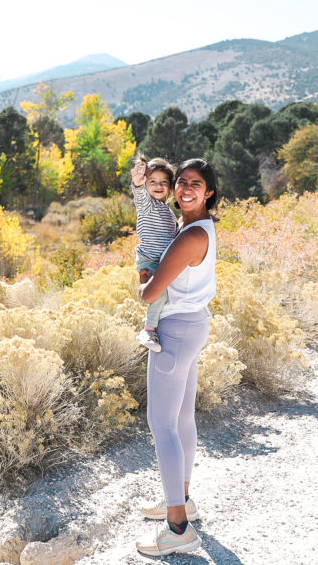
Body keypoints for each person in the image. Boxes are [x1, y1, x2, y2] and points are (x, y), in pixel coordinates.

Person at [134, 158, 218, 557]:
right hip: (193, 325)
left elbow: (151, 294)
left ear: (209, 192)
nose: (185, 189)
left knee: (162, 425)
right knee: (182, 418)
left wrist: (143, 282)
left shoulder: (188, 236)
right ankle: (181, 501)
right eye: (181, 182)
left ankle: (178, 529)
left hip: (175, 331)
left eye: (195, 184)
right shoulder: (197, 227)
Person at [130, 156, 178, 352]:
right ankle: (148, 330)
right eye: (152, 182)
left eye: (163, 182)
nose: (158, 186)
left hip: (163, 261)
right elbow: (140, 198)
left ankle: (155, 320)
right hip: (150, 259)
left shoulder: (167, 210)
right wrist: (138, 185)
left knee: (167, 294)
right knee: (159, 292)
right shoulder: (148, 205)